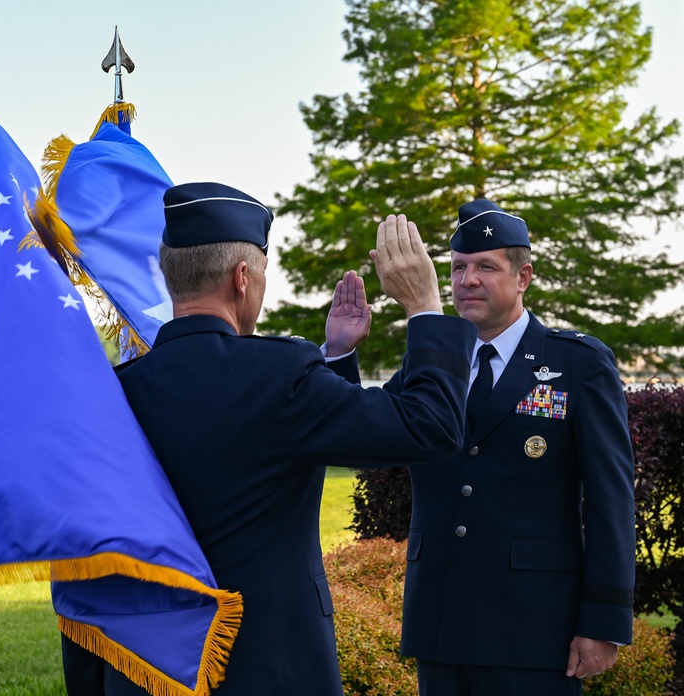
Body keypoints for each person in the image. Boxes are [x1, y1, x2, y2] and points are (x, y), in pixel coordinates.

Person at [62, 181, 477, 695]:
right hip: (271, 668)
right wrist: (425, 306)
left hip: (145, 673)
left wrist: (336, 358)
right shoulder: (282, 376)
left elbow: (82, 565)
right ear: (242, 278)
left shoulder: (114, 394)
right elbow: (430, 426)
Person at [386, 199, 636, 696]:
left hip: (535, 627)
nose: (467, 280)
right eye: (458, 267)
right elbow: (367, 435)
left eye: (485, 267)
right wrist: (340, 353)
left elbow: (611, 500)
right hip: (441, 621)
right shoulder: (430, 364)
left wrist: (604, 621)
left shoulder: (578, 364)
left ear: (523, 277)